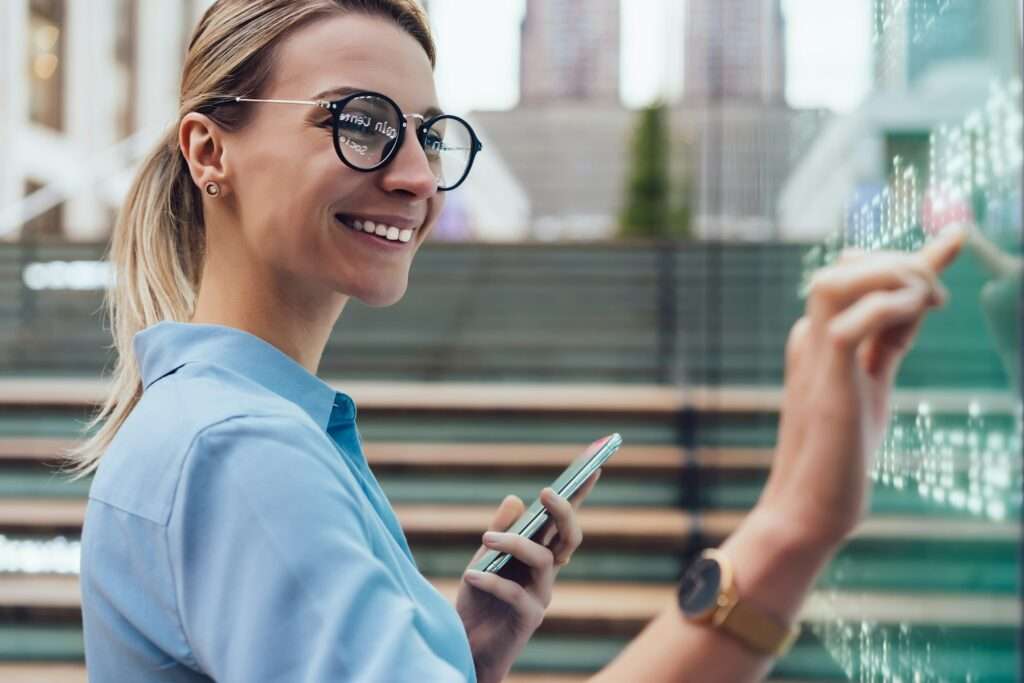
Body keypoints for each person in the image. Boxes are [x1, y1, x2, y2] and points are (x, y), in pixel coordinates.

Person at [65, 1, 967, 681]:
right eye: (360, 123)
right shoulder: (240, 451)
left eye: (427, 133)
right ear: (208, 150)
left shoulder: (224, 423)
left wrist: (461, 652)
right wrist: (793, 527)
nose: (416, 176)